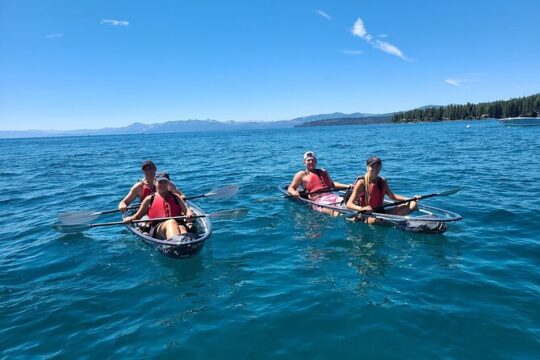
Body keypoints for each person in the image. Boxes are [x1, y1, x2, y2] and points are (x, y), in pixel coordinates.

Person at [345, 156, 419, 224]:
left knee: (413, 204)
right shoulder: (362, 183)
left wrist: (410, 199)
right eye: (372, 166)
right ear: (367, 167)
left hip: (382, 212)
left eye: (378, 166)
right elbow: (349, 204)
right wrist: (362, 208)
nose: (375, 169)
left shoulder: (382, 181)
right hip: (368, 215)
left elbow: (392, 197)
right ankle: (394, 220)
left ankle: (394, 220)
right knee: (379, 220)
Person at [123, 172, 194, 239]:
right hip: (157, 228)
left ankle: (183, 244)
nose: (162, 185)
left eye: (165, 182)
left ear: (169, 183)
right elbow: (138, 216)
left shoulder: (176, 196)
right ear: (155, 182)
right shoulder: (149, 199)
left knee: (182, 229)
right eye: (160, 182)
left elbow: (187, 210)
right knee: (171, 222)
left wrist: (189, 214)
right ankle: (175, 244)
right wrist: (130, 219)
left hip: (178, 224)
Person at [287, 151, 351, 216]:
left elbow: (332, 184)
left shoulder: (323, 171)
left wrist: (348, 186)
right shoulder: (301, 174)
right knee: (334, 212)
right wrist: (293, 192)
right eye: (308, 160)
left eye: (312, 160)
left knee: (348, 205)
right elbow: (291, 188)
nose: (311, 162)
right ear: (304, 162)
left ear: (316, 161)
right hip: (318, 201)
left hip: (333, 196)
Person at [118, 160, 184, 212]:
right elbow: (124, 202)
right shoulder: (138, 187)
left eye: (150, 168)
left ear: (155, 168)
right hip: (147, 213)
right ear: (143, 171)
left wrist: (182, 197)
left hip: (166, 208)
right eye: (146, 169)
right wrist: (122, 205)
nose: (149, 171)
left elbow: (180, 195)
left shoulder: (165, 183)